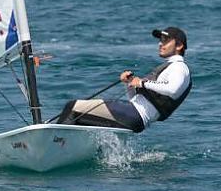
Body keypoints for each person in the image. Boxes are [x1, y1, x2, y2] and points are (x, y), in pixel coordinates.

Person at [57, 27, 192, 132]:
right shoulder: (170, 67)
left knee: (73, 107)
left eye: (165, 41)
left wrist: (142, 82)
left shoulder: (179, 67)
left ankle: (52, 143)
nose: (160, 44)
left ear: (179, 45)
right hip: (133, 115)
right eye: (160, 40)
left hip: (135, 115)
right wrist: (130, 84)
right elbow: (136, 98)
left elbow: (172, 90)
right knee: (81, 117)